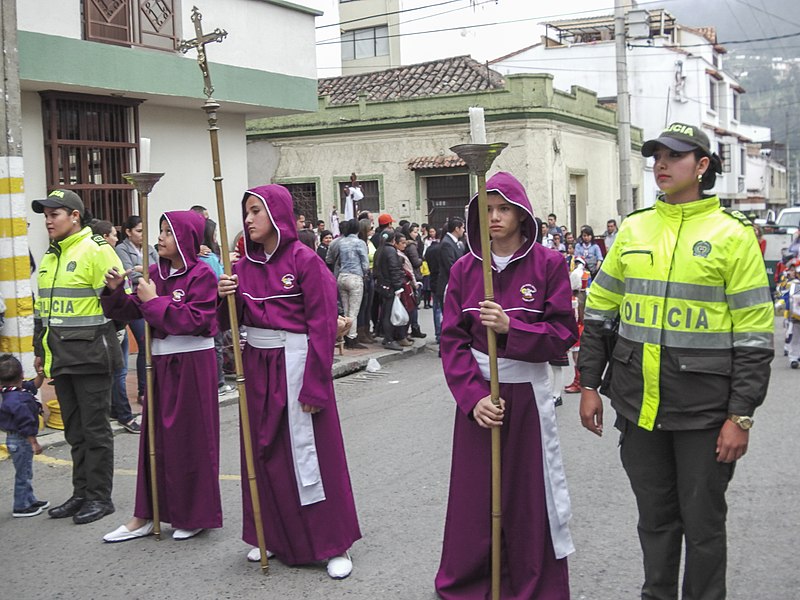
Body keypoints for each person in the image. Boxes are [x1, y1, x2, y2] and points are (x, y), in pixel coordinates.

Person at [579, 122, 775, 599]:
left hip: (706, 412)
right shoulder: (634, 227)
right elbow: (601, 311)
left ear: (702, 166)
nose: (661, 165)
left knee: (704, 524)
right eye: (656, 156)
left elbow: (753, 337)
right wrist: (588, 384)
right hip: (637, 405)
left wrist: (741, 416)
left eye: (674, 156)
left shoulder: (733, 236)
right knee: (655, 520)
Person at [435, 172, 577, 599]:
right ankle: (472, 580)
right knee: (476, 495)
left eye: (503, 209)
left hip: (528, 398)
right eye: (487, 210)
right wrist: (473, 399)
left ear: (521, 213)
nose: (494, 217)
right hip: (482, 398)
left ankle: (534, 582)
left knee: (529, 495)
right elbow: (452, 342)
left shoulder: (549, 265)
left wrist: (513, 328)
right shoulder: (464, 270)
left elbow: (563, 334)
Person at [218, 184, 360, 579]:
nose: (247, 220)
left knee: (312, 456)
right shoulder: (242, 266)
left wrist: (315, 385)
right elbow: (224, 324)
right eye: (245, 212)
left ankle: (334, 542)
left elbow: (322, 326)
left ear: (276, 214)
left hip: (297, 365)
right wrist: (223, 296)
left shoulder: (305, 261)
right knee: (265, 454)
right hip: (258, 368)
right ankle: (274, 537)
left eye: (255, 211)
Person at [101, 210, 222, 543]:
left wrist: (154, 301)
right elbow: (132, 310)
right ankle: (145, 514)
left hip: (194, 363)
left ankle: (194, 514)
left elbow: (195, 320)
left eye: (168, 232)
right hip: (160, 364)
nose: (160, 237)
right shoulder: (154, 272)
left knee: (191, 440)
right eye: (160, 231)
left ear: (185, 237)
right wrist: (114, 292)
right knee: (154, 440)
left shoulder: (202, 275)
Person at [32, 189, 124, 525]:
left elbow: (121, 301)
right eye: (45, 215)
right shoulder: (50, 256)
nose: (48, 221)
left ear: (74, 216)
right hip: (62, 358)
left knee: (95, 431)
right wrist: (40, 353)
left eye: (54, 214)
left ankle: (100, 498)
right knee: (75, 432)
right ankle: (81, 492)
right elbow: (44, 312)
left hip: (91, 357)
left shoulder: (96, 250)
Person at [90, 220, 140, 434]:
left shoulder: (101, 255)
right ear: (102, 237)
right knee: (119, 371)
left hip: (115, 322)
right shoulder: (106, 258)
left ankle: (113, 409)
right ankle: (125, 416)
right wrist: (120, 326)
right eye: (113, 234)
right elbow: (116, 294)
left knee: (116, 371)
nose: (116, 238)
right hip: (113, 324)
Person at [116, 215, 159, 407]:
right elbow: (129, 273)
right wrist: (147, 271)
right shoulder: (121, 249)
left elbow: (160, 269)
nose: (143, 235)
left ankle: (151, 387)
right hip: (133, 299)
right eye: (139, 231)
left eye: (144, 231)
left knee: (151, 344)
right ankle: (143, 391)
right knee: (143, 343)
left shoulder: (149, 249)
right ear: (128, 232)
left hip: (151, 297)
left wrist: (145, 269)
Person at [0, 354, 48, 517]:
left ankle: (30, 499)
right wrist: (34, 442)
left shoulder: (13, 390)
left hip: (17, 439)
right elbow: (25, 423)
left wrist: (39, 374)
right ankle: (20, 506)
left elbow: (34, 385)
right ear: (21, 374)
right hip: (19, 440)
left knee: (26, 471)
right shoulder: (17, 399)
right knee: (23, 473)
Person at [336, 219, 370, 350]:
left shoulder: (341, 242)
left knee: (345, 309)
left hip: (342, 276)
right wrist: (365, 272)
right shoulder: (360, 243)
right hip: (355, 277)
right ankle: (352, 338)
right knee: (353, 312)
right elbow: (365, 263)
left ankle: (344, 337)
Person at [374, 229, 406, 351]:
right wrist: (398, 286)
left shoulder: (379, 250)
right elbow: (394, 269)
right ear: (393, 240)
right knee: (389, 313)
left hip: (382, 285)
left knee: (384, 312)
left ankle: (385, 336)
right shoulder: (391, 251)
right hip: (390, 286)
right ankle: (389, 339)